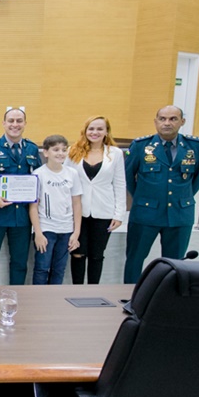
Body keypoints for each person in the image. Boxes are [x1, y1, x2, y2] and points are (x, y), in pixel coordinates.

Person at [123, 105, 199, 284]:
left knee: (175, 265)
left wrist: (181, 198)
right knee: (135, 259)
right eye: (162, 119)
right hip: (145, 213)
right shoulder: (141, 145)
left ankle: (168, 298)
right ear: (156, 121)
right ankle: (131, 295)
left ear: (182, 122)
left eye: (173, 119)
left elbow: (198, 178)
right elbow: (128, 177)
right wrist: (143, 198)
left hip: (179, 214)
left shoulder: (195, 146)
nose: (167, 123)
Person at [0, 108, 40, 285]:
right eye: (11, 121)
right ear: (3, 123)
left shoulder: (32, 149)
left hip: (21, 217)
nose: (15, 125)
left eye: (19, 121)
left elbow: (38, 179)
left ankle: (15, 296)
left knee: (20, 262)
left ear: (25, 124)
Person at [65, 116, 126, 284]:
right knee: (77, 252)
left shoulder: (115, 153)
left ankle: (94, 290)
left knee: (96, 255)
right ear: (85, 131)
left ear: (106, 132)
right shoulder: (73, 151)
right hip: (78, 212)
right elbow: (66, 181)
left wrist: (119, 214)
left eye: (100, 129)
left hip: (104, 211)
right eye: (91, 129)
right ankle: (77, 290)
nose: (95, 132)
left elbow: (120, 184)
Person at [29, 135, 82, 285]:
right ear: (46, 152)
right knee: (42, 268)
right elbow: (33, 206)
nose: (60, 153)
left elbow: (77, 203)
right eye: (56, 149)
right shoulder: (38, 174)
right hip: (46, 230)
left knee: (59, 269)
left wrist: (76, 233)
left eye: (64, 150)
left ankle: (54, 298)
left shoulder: (72, 173)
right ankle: (39, 297)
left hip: (66, 230)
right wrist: (38, 233)